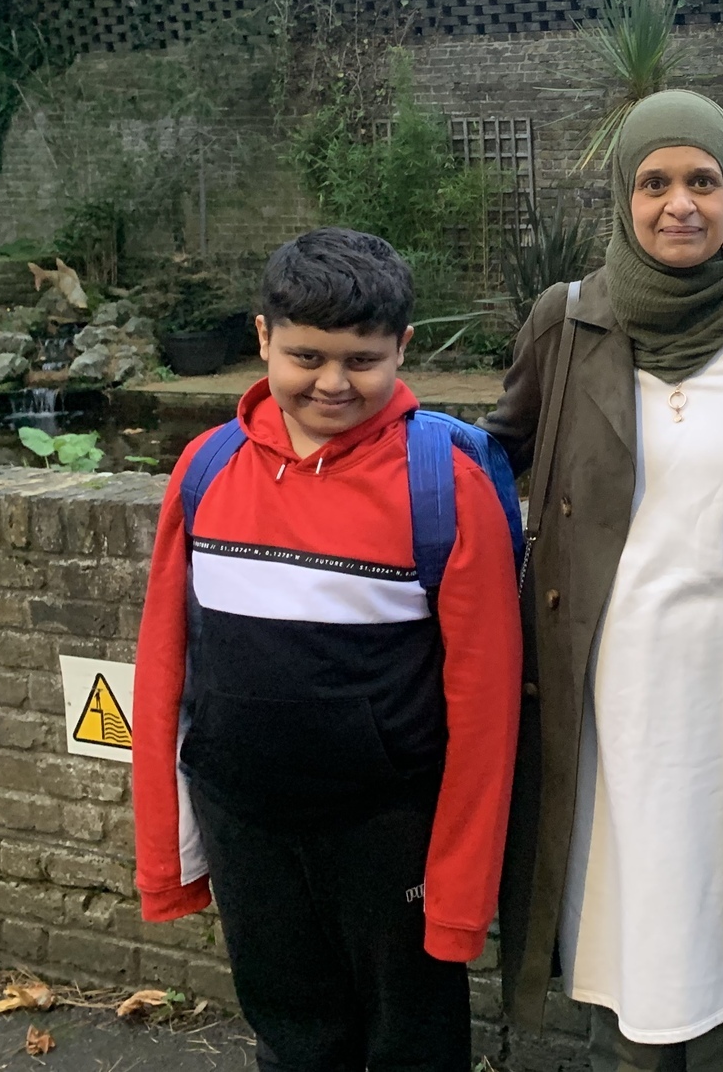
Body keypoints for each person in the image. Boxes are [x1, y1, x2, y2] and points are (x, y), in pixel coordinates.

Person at [487, 90, 723, 1072]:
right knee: (623, 923)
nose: (678, 204)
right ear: (625, 194)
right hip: (609, 698)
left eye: (701, 180)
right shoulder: (564, 326)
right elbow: (491, 465)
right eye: (654, 182)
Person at [132, 227, 523, 1072]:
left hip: (388, 832)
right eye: (307, 356)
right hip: (247, 823)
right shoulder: (206, 468)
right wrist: (169, 843)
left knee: (409, 1043)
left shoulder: (445, 485)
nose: (334, 383)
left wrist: (457, 889)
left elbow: (487, 705)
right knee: (291, 1037)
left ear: (403, 348)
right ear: (263, 336)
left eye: (363, 359)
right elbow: (167, 663)